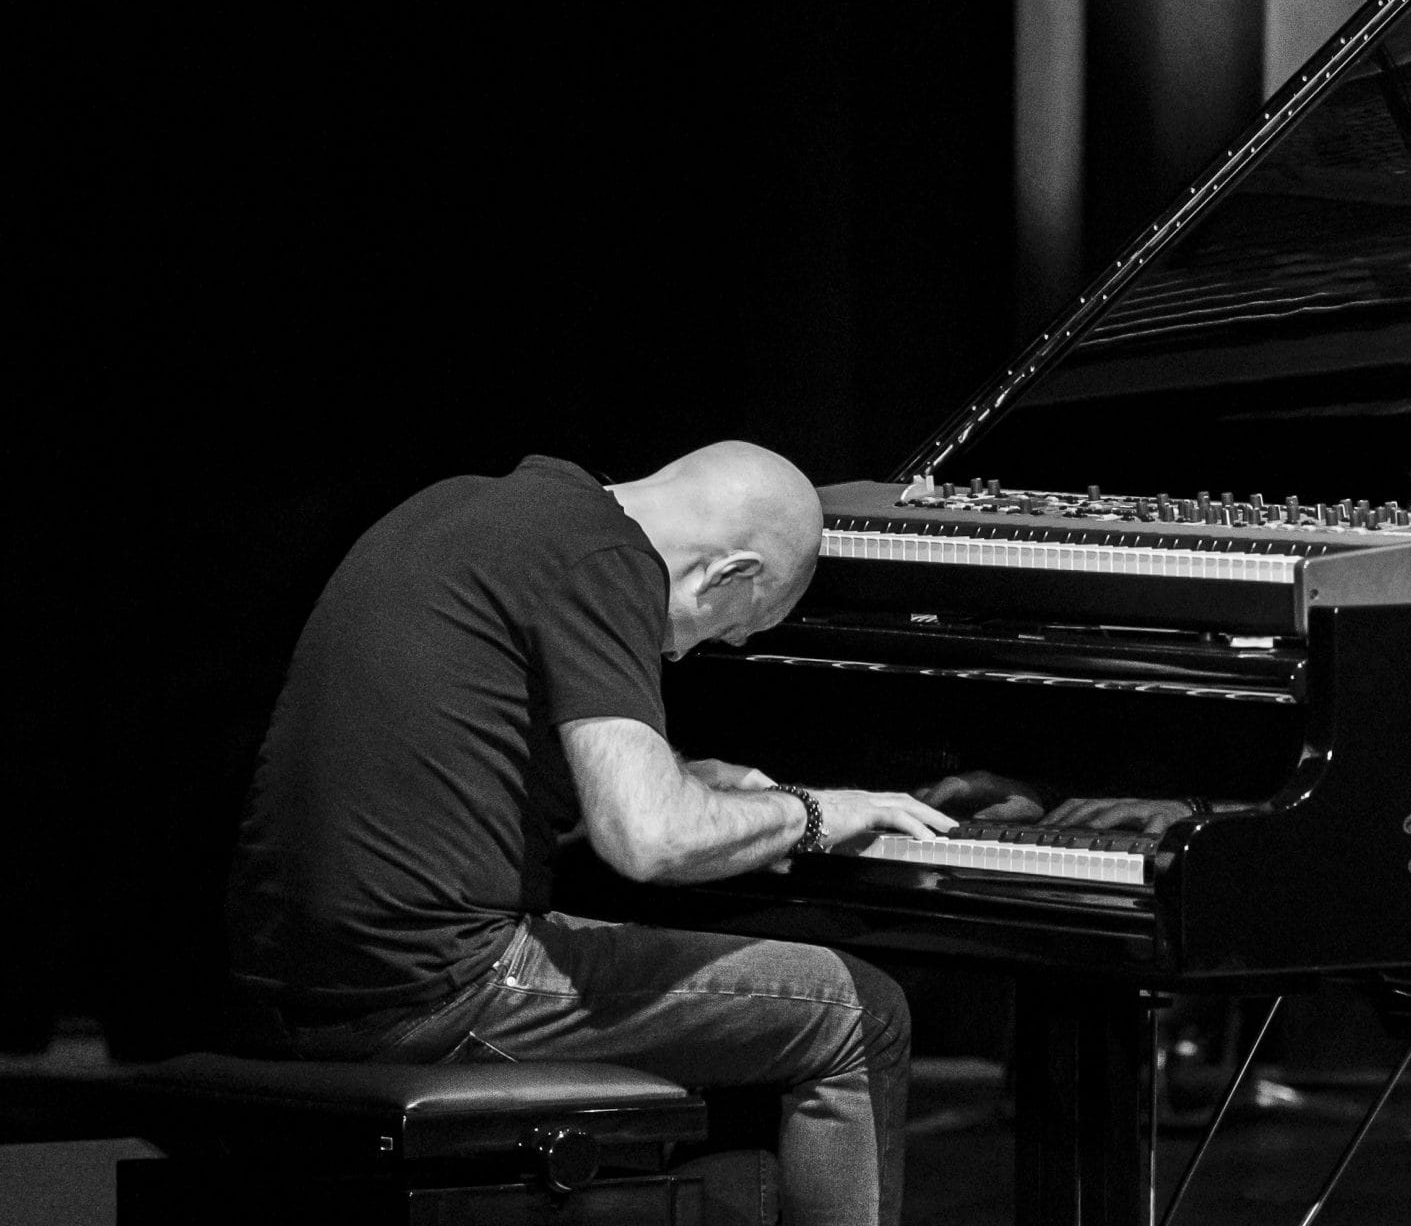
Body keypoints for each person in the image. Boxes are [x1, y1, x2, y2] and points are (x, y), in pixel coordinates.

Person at [225, 445, 955, 1226]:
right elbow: (650, 840)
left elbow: (486, 754)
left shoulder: (466, 506)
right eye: (735, 628)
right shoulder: (608, 558)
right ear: (729, 573)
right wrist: (815, 812)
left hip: (285, 986)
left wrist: (690, 780)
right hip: (436, 989)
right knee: (860, 1013)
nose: (695, 650)